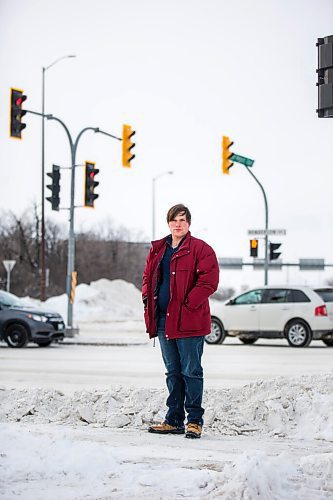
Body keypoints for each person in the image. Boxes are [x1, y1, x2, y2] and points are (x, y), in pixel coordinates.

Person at [142, 204, 219, 439]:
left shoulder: (201, 249)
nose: (178, 224)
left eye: (182, 220)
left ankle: (194, 421)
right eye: (174, 220)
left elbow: (209, 281)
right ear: (168, 223)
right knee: (172, 372)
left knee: (191, 372)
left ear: (189, 224)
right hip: (164, 321)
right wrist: (147, 298)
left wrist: (188, 304)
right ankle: (174, 420)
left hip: (189, 321)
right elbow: (147, 277)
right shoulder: (158, 249)